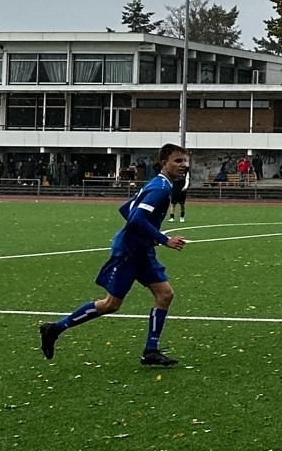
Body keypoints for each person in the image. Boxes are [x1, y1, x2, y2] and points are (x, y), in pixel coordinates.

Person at [39, 143, 189, 368]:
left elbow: (126, 208)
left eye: (185, 161)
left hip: (142, 251)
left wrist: (146, 237)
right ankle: (54, 329)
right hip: (129, 252)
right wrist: (163, 239)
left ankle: (150, 351)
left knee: (165, 294)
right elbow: (136, 218)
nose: (183, 165)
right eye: (178, 161)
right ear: (164, 163)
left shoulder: (160, 184)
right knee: (111, 304)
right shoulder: (160, 188)